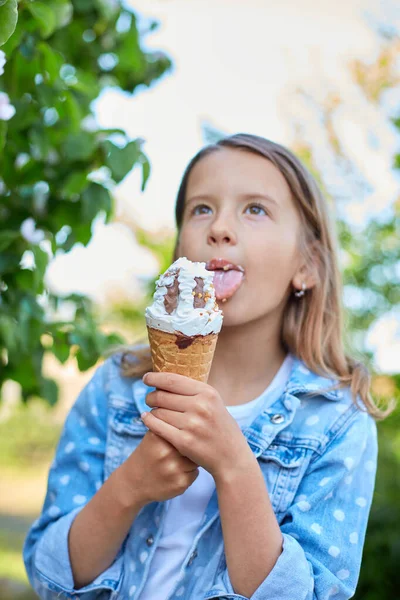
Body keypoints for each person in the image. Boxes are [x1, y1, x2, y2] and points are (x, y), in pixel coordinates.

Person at [23, 133, 394, 600]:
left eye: (255, 209)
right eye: (201, 209)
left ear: (309, 265)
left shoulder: (337, 421)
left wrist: (235, 467)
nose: (219, 227)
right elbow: (48, 575)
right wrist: (129, 487)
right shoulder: (116, 387)